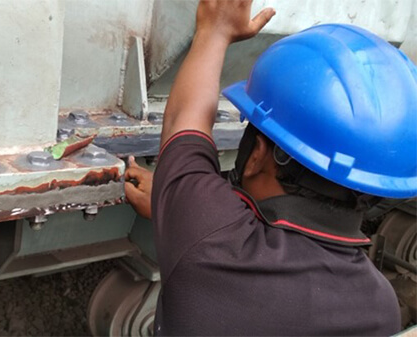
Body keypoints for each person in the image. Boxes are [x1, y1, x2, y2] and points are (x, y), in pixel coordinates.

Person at [124, 0, 417, 335]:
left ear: (255, 154)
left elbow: (183, 122)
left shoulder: (213, 243)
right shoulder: (381, 306)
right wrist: (177, 203)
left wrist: (214, 31)